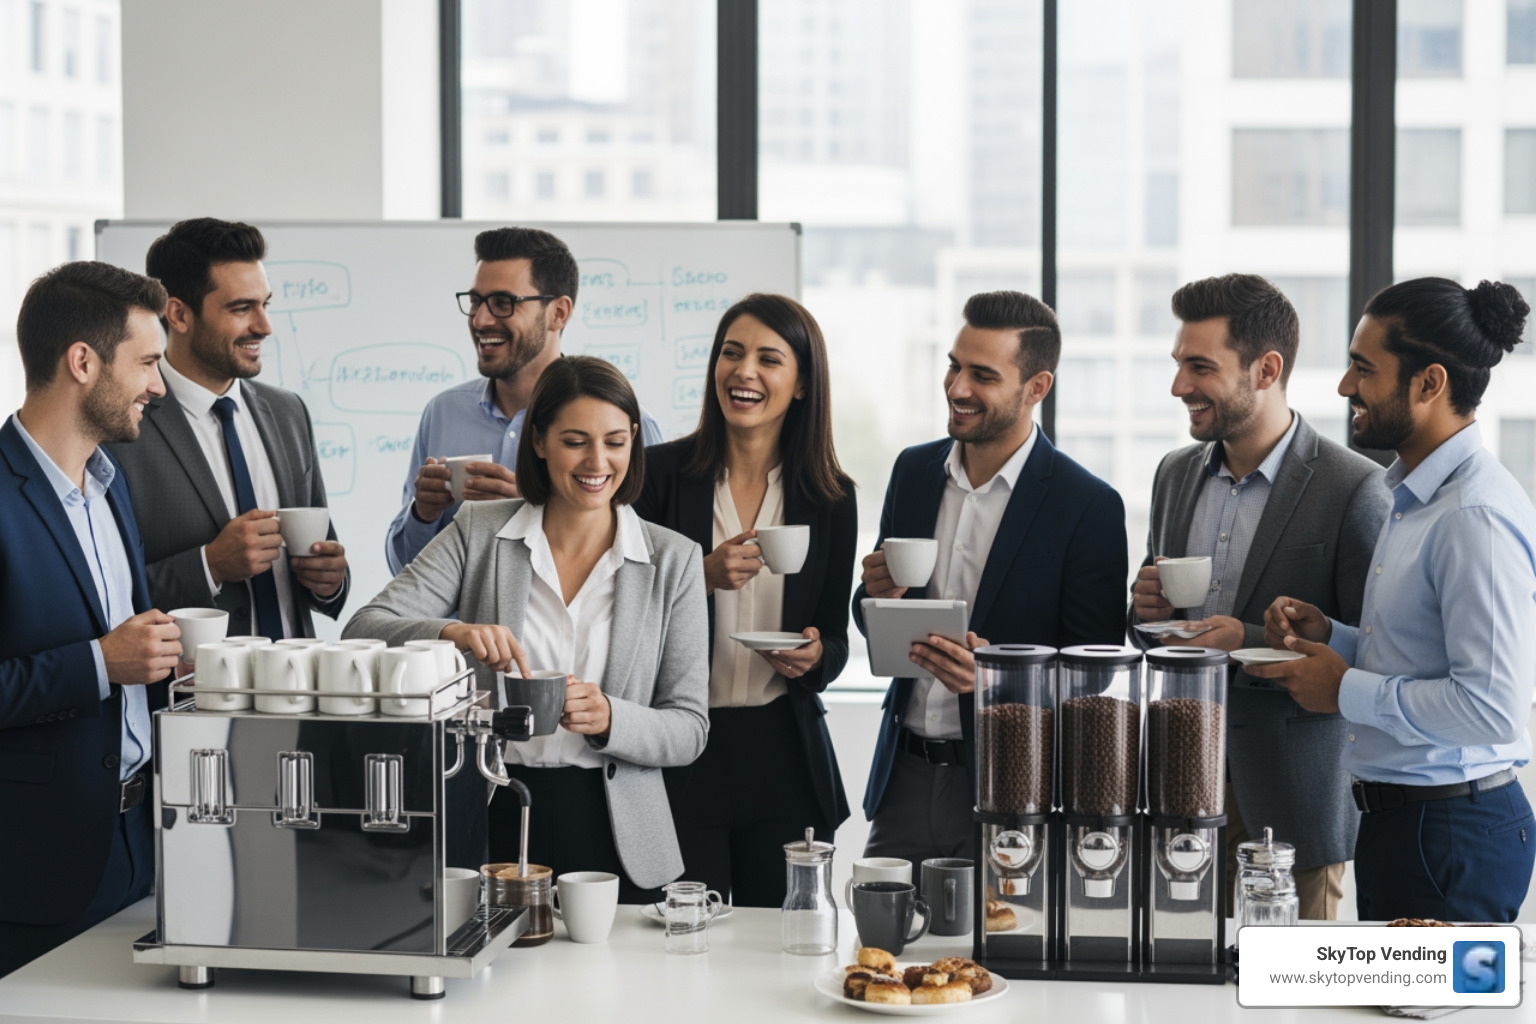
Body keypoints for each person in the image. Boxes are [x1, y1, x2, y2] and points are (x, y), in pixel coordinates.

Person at [346, 356, 708, 903]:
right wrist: (453, 634)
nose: (597, 461)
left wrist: (612, 717)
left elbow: (690, 728)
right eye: (575, 441)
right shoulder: (479, 530)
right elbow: (363, 630)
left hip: (615, 829)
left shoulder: (674, 559)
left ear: (634, 441)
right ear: (538, 441)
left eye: (614, 441)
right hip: (490, 806)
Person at [1248, 277, 1536, 923]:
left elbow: (1493, 709)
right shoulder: (1416, 498)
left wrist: (1345, 687)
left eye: (1363, 368)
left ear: (1429, 384)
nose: (1346, 386)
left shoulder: (1474, 516)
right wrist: (1334, 638)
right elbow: (1423, 650)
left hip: (1448, 832)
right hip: (1407, 823)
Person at [1129, 274, 1391, 920]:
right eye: (1177, 365)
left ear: (1266, 369)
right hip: (1182, 790)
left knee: (1291, 1001)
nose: (1178, 387)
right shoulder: (1173, 475)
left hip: (1295, 804)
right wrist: (1143, 610)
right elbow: (1148, 622)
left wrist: (1244, 637)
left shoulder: (1354, 487)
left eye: (1199, 367)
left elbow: (1375, 650)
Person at [853, 291, 1128, 866]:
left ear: (1036, 388)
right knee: (878, 949)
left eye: (982, 375)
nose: (956, 388)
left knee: (995, 950)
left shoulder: (1088, 505)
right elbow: (871, 612)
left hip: (1010, 784)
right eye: (954, 366)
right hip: (902, 775)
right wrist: (875, 596)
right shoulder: (912, 471)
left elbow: (1095, 670)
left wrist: (996, 679)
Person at [633, 294, 856, 907]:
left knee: (777, 949)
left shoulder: (831, 498)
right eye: (730, 354)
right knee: (677, 945)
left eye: (768, 358)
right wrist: (698, 576)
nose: (744, 372)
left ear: (803, 382)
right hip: (679, 750)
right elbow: (616, 612)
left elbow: (834, 636)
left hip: (782, 753)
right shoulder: (656, 476)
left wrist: (816, 656)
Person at [0, 263, 183, 976]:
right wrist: (102, 664)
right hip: (34, 876)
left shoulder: (111, 487)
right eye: (146, 363)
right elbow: (100, 659)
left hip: (140, 846)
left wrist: (161, 659)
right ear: (82, 362)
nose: (159, 387)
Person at [106, 218, 349, 640]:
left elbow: (324, 569)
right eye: (242, 308)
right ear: (178, 314)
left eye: (265, 304)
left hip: (298, 693)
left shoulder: (289, 414)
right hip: (190, 697)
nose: (264, 326)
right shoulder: (121, 428)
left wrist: (330, 581)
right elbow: (105, 595)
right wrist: (210, 564)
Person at [385, 227, 664, 574]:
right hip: (459, 629)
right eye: (476, 301)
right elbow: (403, 571)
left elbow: (650, 567)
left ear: (559, 313)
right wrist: (422, 514)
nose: (480, 319)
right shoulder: (443, 413)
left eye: (503, 303)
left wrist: (544, 510)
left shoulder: (623, 430)